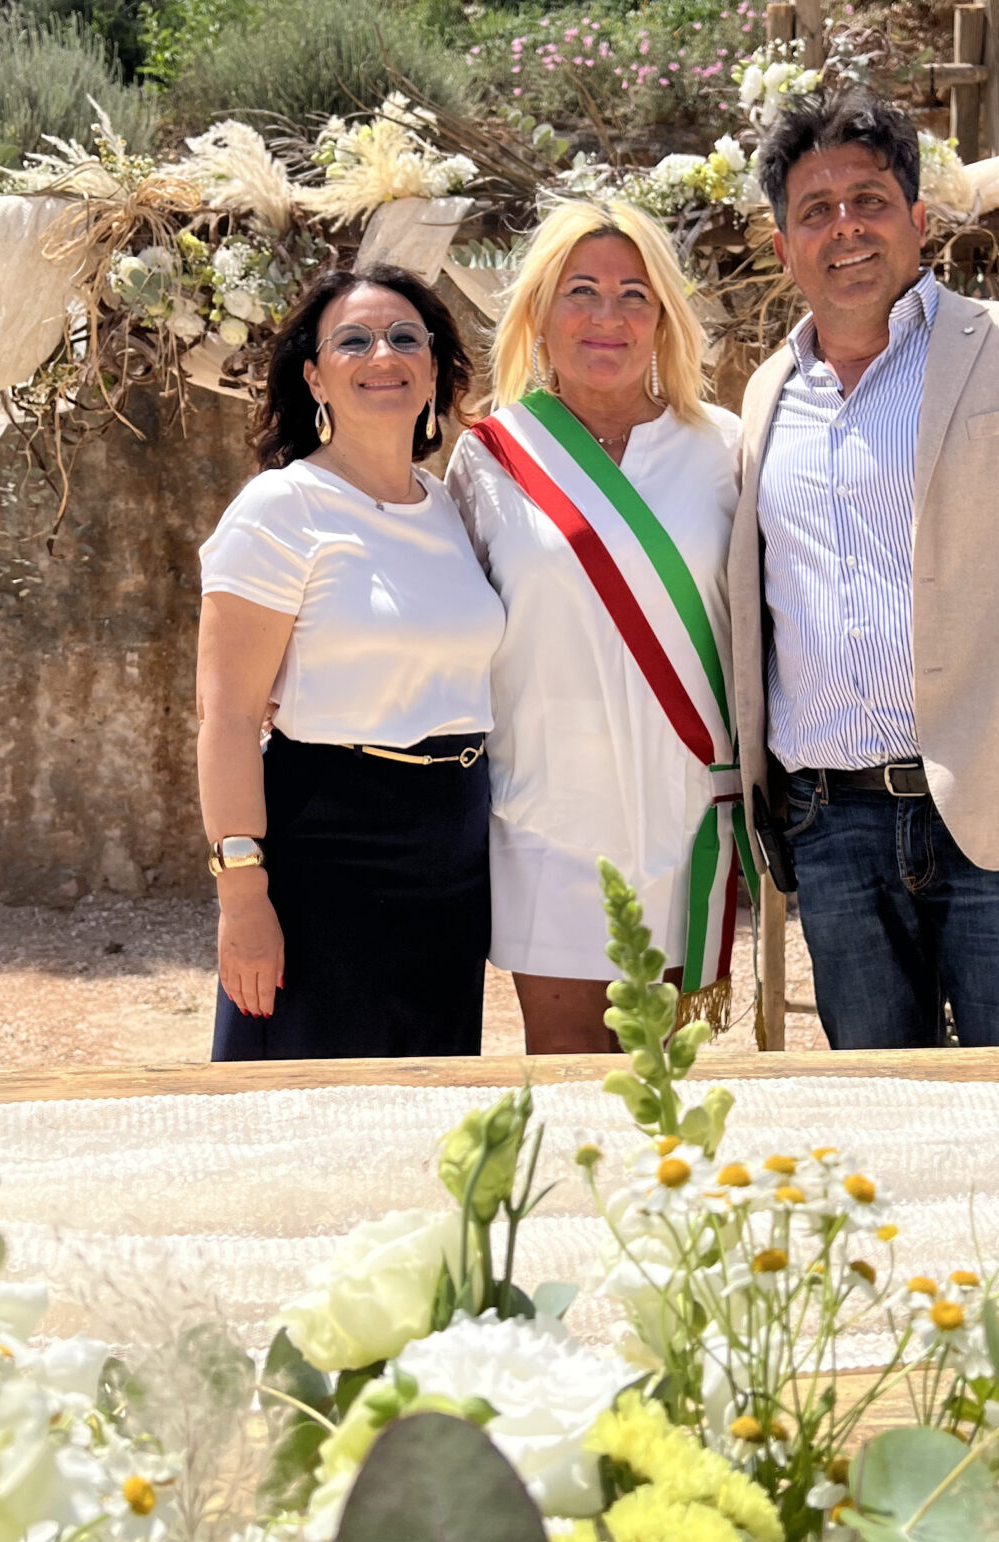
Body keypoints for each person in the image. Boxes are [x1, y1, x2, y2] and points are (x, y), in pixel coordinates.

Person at [728, 88, 999, 1048]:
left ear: (919, 221)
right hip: (831, 827)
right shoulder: (766, 400)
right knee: (884, 1115)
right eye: (816, 210)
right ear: (784, 247)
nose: (846, 227)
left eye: (870, 200)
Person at [446, 199, 751, 1055]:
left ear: (664, 319)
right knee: (569, 1072)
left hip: (685, 815)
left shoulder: (722, 447)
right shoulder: (491, 455)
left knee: (673, 1080)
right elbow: (448, 621)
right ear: (539, 312)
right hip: (548, 818)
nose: (606, 316)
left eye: (633, 295)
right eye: (580, 291)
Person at [196, 262, 505, 1060]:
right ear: (314, 377)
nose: (383, 356)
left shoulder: (448, 507)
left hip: (451, 846)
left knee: (428, 1101)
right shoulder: (280, 508)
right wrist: (242, 893)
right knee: (306, 1102)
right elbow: (227, 718)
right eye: (354, 341)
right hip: (330, 846)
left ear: (434, 370)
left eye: (405, 338)